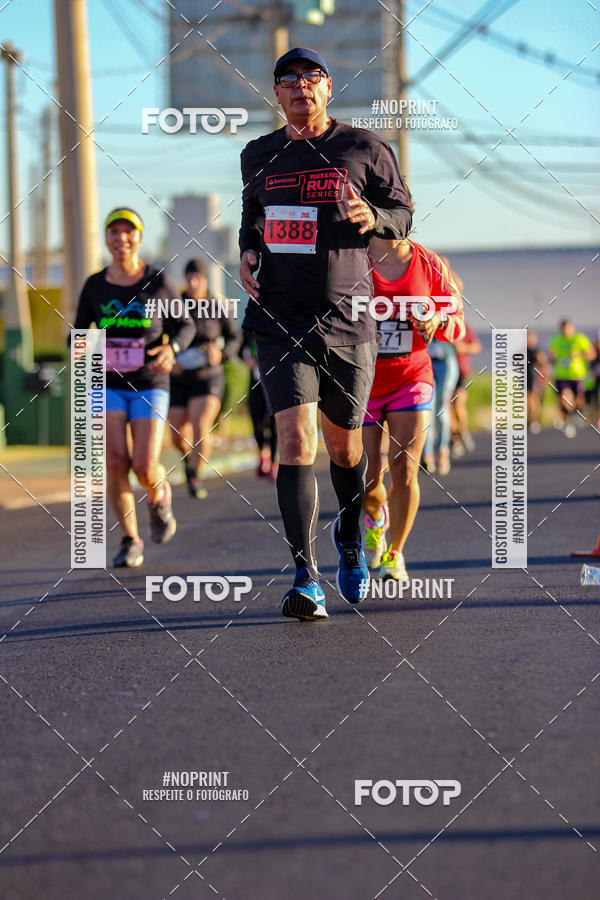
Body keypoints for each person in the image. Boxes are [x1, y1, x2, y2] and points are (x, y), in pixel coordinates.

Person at [239, 47, 413, 620]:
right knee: (295, 442)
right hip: (280, 320)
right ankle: (305, 577)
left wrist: (376, 219)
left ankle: (350, 538)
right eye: (286, 81)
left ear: (328, 88)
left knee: (344, 446)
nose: (299, 89)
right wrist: (247, 250)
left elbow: (402, 212)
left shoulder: (363, 148)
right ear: (277, 94)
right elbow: (253, 215)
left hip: (348, 321)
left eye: (310, 79)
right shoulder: (258, 154)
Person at [73, 208, 195, 567]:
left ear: (138, 239)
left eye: (129, 232)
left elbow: (185, 325)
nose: (121, 239)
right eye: (114, 232)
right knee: (115, 462)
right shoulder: (95, 285)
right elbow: (79, 332)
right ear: (107, 238)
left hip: (149, 382)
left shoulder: (157, 282)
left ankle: (159, 497)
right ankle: (131, 539)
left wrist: (171, 349)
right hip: (108, 382)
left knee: (144, 465)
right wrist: (80, 345)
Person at [361, 238, 464, 579]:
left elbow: (458, 320)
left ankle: (395, 553)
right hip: (362, 383)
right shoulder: (349, 257)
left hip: (412, 376)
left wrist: (438, 319)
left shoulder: (429, 262)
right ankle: (376, 518)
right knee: (366, 476)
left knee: (404, 467)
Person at [168, 259, 241, 498]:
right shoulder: (176, 305)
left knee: (201, 427)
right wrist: (170, 358)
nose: (193, 283)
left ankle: (195, 477)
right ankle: (191, 459)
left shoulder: (216, 306)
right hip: (180, 377)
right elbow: (162, 336)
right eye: (189, 278)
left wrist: (220, 355)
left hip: (208, 377)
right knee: (177, 434)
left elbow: (234, 338)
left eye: (197, 278)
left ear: (205, 280)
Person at [241, 330, 278, 480]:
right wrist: (246, 359)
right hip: (256, 383)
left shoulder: (276, 324)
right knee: (257, 424)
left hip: (275, 382)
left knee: (275, 424)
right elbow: (239, 347)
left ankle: (273, 464)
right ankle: (263, 453)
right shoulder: (248, 330)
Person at [548, 319, 594, 438]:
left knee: (579, 399)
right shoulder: (557, 340)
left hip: (577, 375)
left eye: (567, 328)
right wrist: (551, 358)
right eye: (563, 329)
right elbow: (550, 355)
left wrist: (579, 355)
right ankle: (568, 420)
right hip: (562, 375)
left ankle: (576, 414)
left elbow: (592, 354)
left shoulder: (579, 339)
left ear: (572, 328)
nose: (565, 331)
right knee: (565, 396)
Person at [422, 339, 459, 475]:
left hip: (446, 362)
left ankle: (443, 450)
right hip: (426, 362)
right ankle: (428, 454)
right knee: (427, 410)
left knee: (441, 409)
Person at [450, 322, 481, 457]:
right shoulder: (436, 323)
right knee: (447, 407)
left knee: (458, 404)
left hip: (460, 370)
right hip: (442, 371)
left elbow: (476, 347)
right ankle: (455, 439)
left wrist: (463, 348)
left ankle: (463, 431)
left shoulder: (463, 326)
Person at [526, 329, 547, 433]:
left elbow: (544, 364)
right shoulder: (523, 350)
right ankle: (529, 419)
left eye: (532, 337)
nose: (530, 339)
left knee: (535, 400)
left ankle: (534, 421)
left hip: (535, 378)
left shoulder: (538, 350)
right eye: (528, 337)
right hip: (525, 378)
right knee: (528, 401)